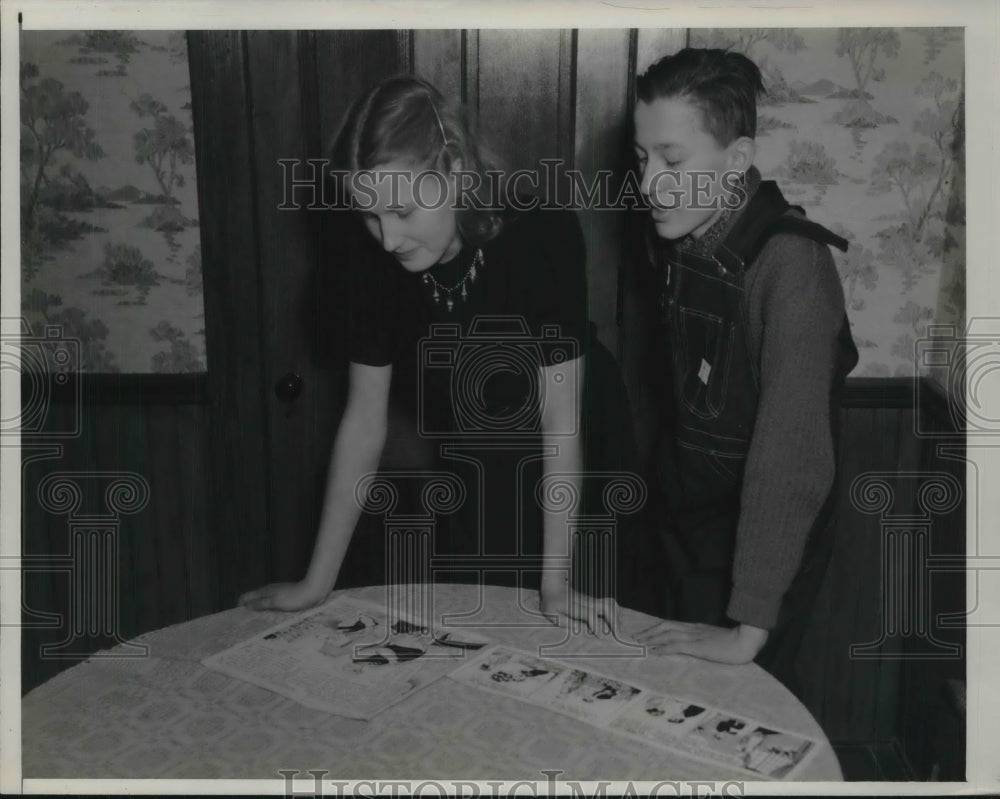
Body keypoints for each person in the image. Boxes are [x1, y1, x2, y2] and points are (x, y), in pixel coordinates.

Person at [239, 75, 637, 633]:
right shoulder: (364, 260)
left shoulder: (539, 231)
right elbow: (363, 423)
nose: (387, 239)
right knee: (480, 626)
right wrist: (314, 583)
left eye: (402, 212)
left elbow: (561, 421)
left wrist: (555, 580)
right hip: (478, 444)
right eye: (368, 213)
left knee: (576, 637)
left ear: (454, 170)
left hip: (578, 445)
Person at [628, 48, 859, 695]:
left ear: (736, 162)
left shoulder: (795, 268)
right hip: (687, 522)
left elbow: (790, 460)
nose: (649, 184)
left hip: (764, 546)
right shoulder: (676, 237)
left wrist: (748, 627)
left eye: (672, 161)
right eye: (642, 159)